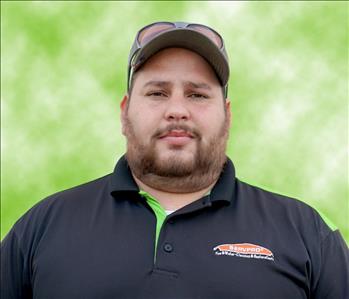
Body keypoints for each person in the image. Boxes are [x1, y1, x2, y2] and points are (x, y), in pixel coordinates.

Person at [1, 21, 348, 299]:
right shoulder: (42, 228)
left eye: (197, 94)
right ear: (125, 113)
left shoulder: (306, 234)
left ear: (227, 116)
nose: (177, 110)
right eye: (157, 93)